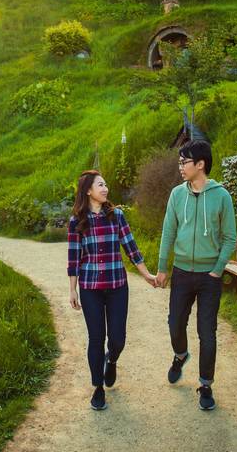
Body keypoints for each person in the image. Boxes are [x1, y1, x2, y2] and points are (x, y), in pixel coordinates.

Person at [154, 140, 237, 410]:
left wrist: (217, 268)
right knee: (175, 324)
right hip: (181, 273)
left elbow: (229, 238)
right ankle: (180, 356)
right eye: (179, 162)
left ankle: (205, 385)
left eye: (184, 162)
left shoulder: (221, 196)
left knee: (207, 332)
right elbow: (168, 232)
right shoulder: (177, 195)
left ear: (200, 164)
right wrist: (163, 267)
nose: (180, 167)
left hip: (209, 277)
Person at [68, 170, 157, 410]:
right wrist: (73, 290)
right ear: (88, 190)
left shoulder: (116, 215)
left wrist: (146, 274)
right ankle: (97, 388)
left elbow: (131, 248)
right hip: (90, 288)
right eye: (100, 185)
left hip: (118, 286)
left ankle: (113, 359)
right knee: (96, 339)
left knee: (117, 338)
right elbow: (74, 258)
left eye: (106, 184)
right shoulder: (77, 220)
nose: (105, 188)